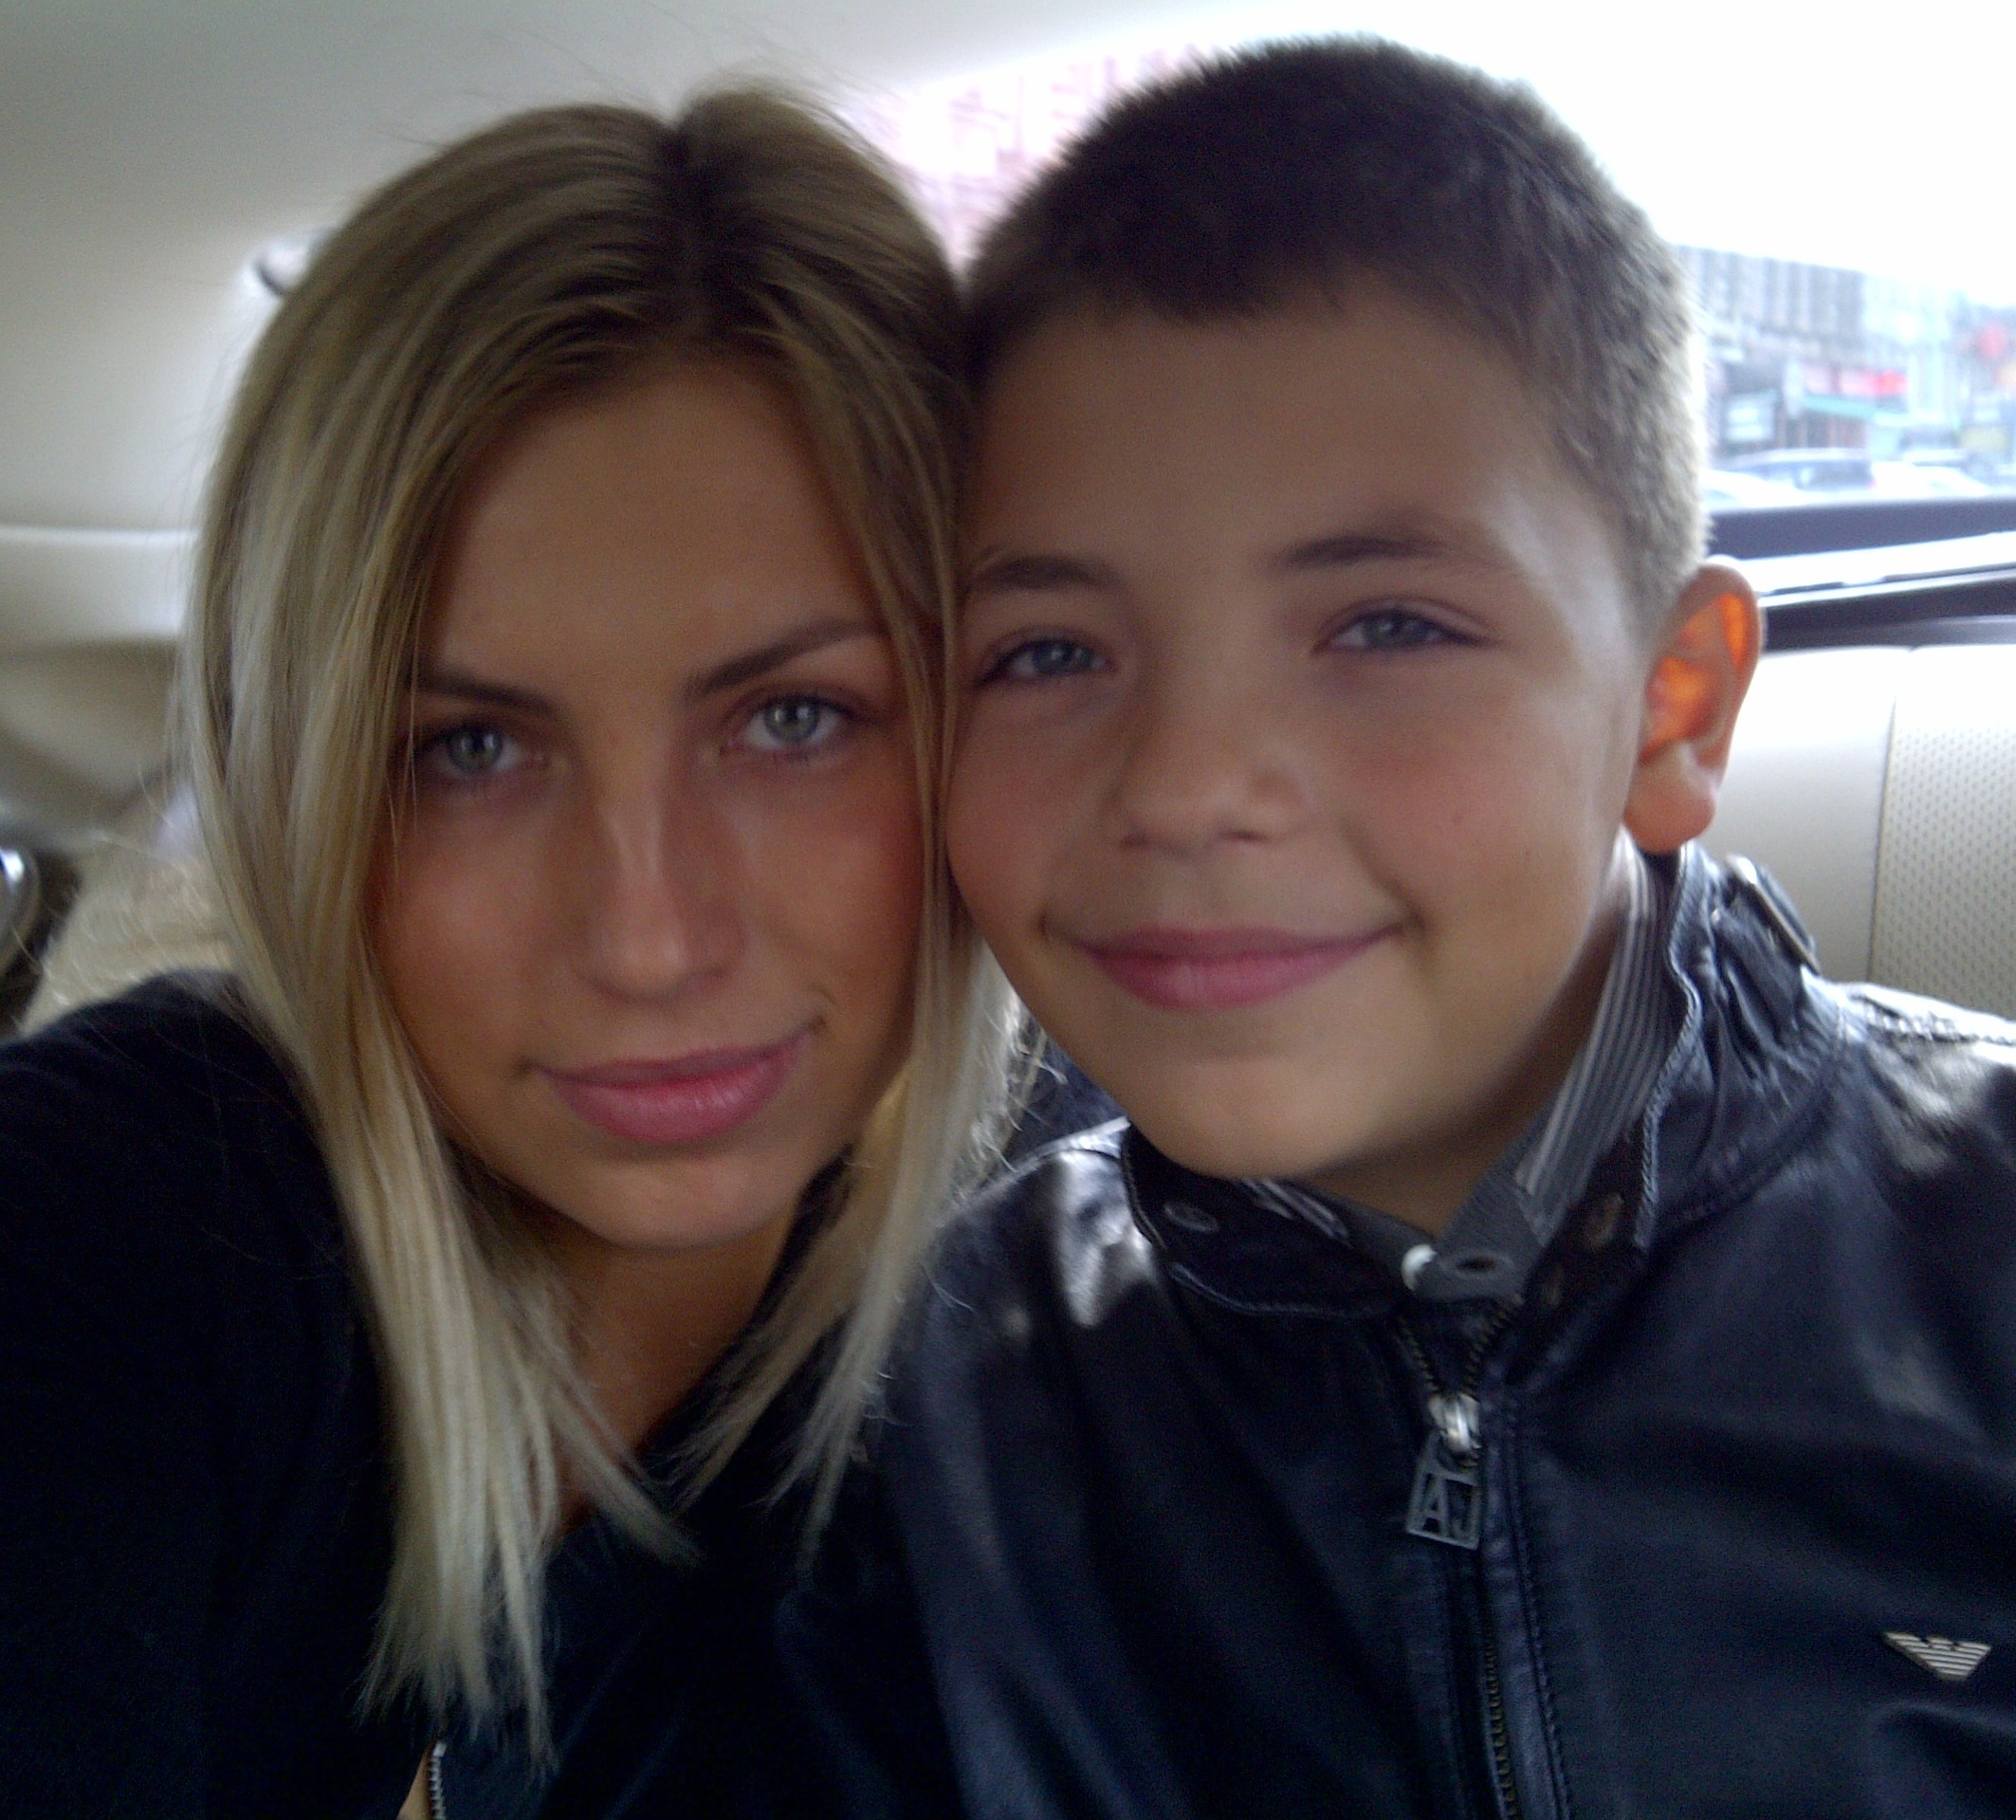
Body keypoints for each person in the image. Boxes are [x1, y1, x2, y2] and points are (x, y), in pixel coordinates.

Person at [790, 39, 2016, 1817]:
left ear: (1670, 707)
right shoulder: (954, 1404)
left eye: (1386, 628)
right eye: (1046, 653)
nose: (1185, 786)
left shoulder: (1977, 1262)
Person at [0, 92, 1019, 1819]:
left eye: (794, 719)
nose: (648, 937)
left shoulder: (1061, 1341)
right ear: (297, 785)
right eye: (467, 750)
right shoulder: (98, 1245)